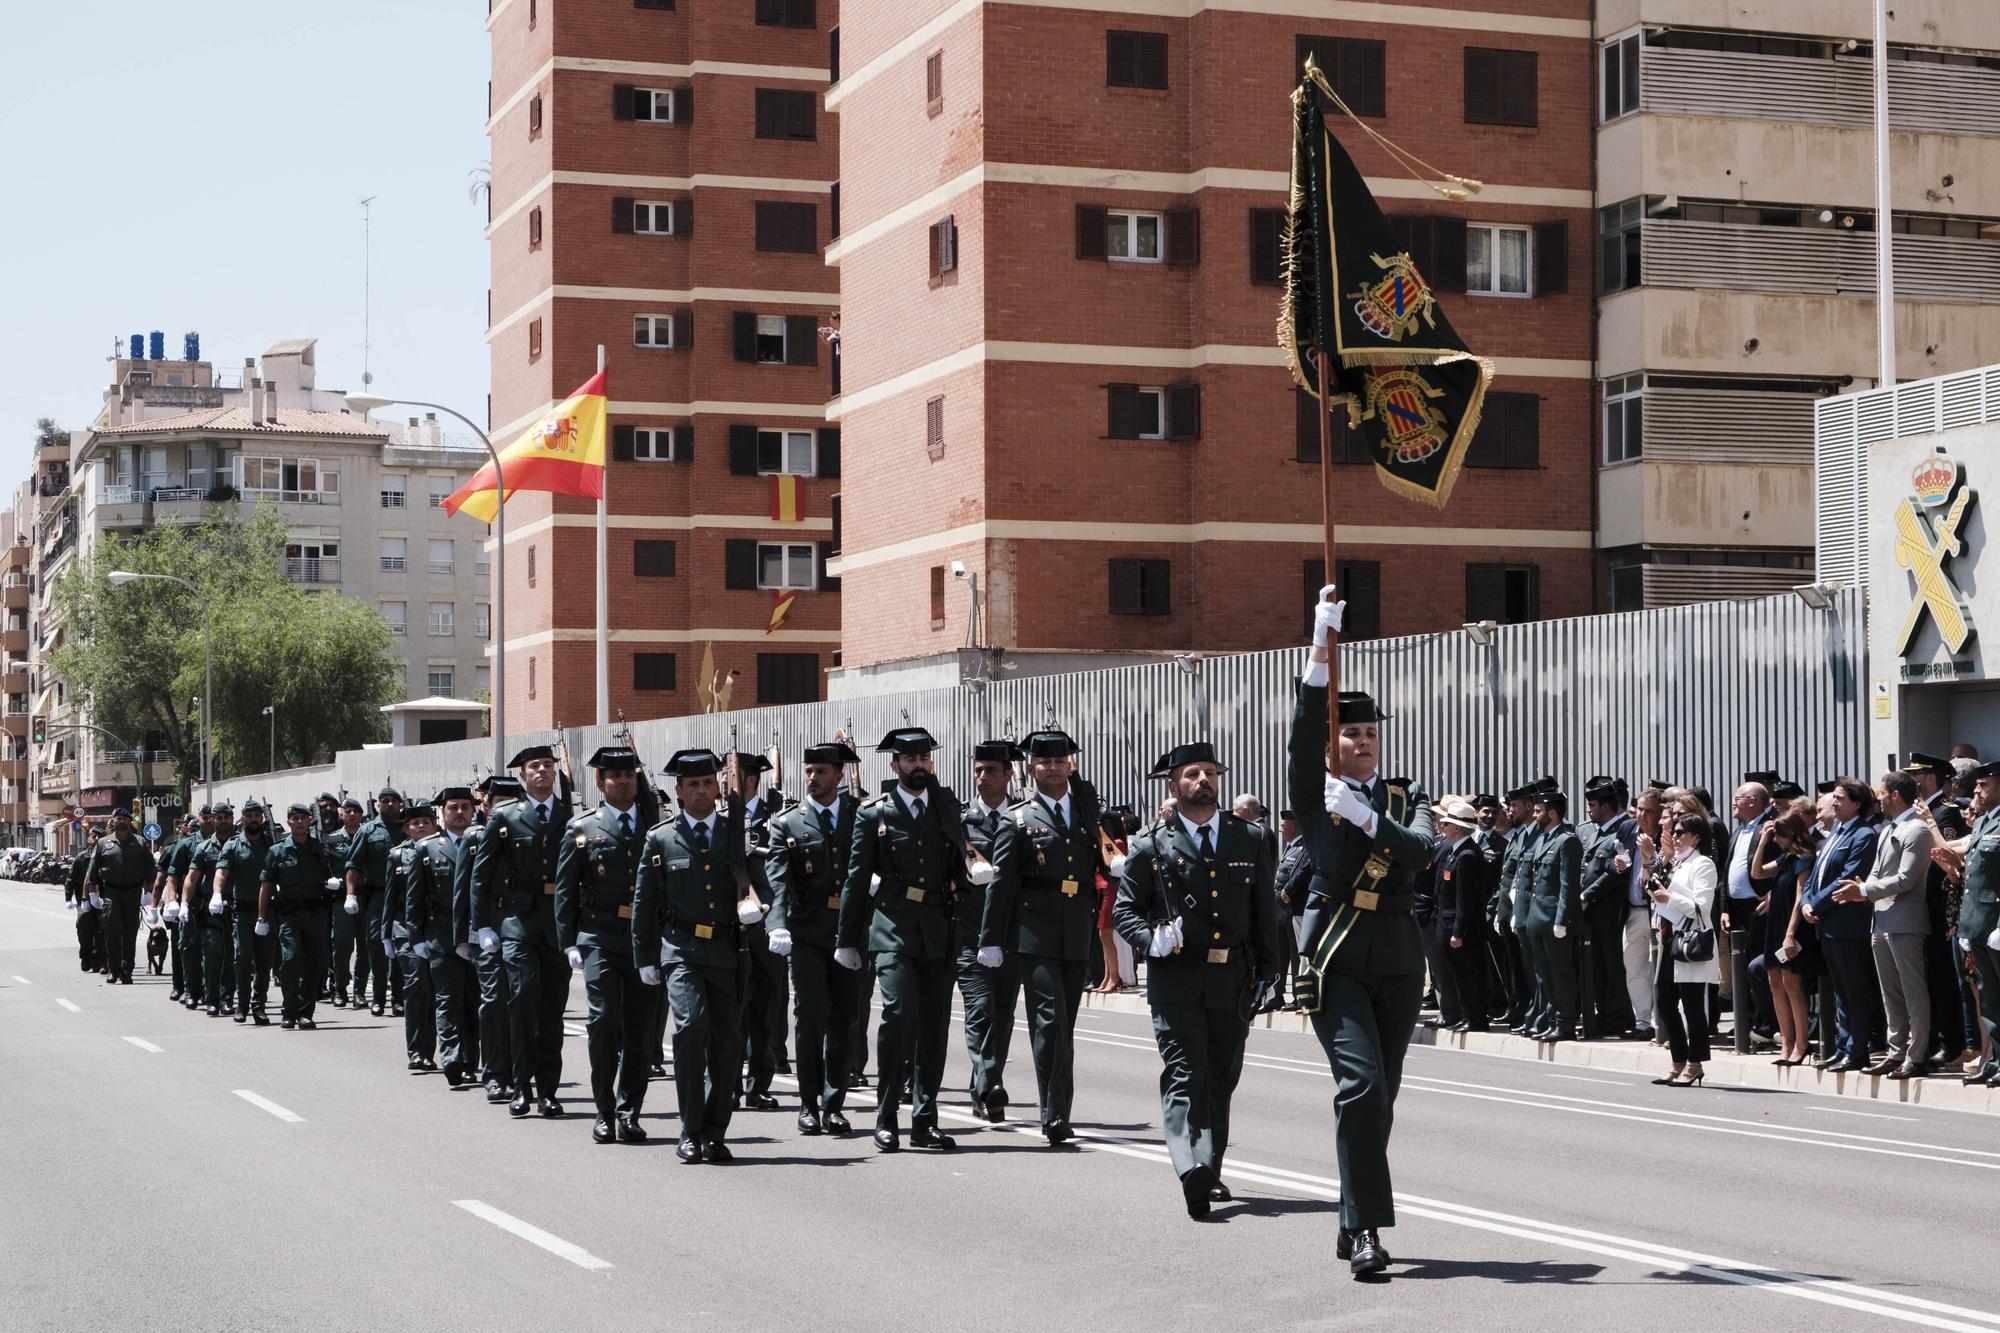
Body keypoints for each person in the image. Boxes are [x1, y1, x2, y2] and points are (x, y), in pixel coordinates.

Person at [1290, 585, 1434, 1279]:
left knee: (1385, 1096)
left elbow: (1422, 850)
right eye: (1350, 733)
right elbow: (1298, 730)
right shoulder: (1314, 797)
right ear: (1330, 742)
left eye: (1371, 733)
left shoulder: (1405, 799)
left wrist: (1372, 817)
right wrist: (1321, 643)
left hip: (1400, 957)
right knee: (1361, 1087)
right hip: (1338, 954)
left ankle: (1353, 1212)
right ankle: (1367, 1228)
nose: (1363, 742)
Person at [1114, 740, 1280, 1220]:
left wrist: (1272, 971)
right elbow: (1125, 910)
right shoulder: (1150, 843)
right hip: (1177, 977)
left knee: (1221, 1077)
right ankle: (1190, 1169)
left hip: (1233, 976)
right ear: (1173, 784)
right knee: (1186, 1073)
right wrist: (1150, 939)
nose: (1202, 780)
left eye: (1209, 772)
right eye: (1191, 774)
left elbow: (1262, 910)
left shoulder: (1250, 838)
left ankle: (1210, 1166)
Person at [838, 727, 988, 1154]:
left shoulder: (947, 809)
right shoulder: (874, 814)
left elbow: (961, 864)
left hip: (940, 928)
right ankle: (886, 1117)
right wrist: (847, 939)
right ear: (895, 765)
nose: (918, 765)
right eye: (910, 759)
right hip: (893, 927)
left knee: (934, 1027)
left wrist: (972, 871)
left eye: (924, 758)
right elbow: (855, 878)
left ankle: (924, 1120)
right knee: (899, 1014)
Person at [981, 729, 1101, 1146]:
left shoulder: (1087, 809)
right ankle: (1054, 1115)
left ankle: (1057, 1108)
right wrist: (991, 938)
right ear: (1029, 769)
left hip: (1076, 930)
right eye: (1043, 762)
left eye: (1059, 760)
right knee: (1048, 1022)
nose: (1052, 768)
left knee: (1065, 1026)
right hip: (1034, 932)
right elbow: (1001, 883)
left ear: (1070, 765)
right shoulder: (1018, 818)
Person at [632, 748, 747, 1162]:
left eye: (708, 783)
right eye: (692, 785)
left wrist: (758, 907)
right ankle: (689, 1128)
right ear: (678, 791)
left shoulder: (737, 832)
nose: (701, 791)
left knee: (727, 1044)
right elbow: (645, 902)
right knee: (690, 1028)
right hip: (680, 950)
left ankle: (715, 1131)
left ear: (718, 788)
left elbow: (758, 882)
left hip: (727, 949)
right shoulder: (660, 838)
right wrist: (644, 956)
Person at [767, 739, 869, 1135]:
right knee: (810, 1016)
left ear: (839, 776)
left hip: (849, 932)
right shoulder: (788, 823)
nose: (813, 778)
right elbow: (777, 880)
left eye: (821, 772)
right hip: (807, 933)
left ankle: (834, 1103)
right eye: (808, 771)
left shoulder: (860, 817)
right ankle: (808, 1103)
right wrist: (776, 923)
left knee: (844, 1018)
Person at [555, 748, 654, 1144]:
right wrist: (569, 941)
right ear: (600, 782)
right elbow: (565, 889)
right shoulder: (582, 828)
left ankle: (629, 1110)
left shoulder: (656, 823)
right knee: (603, 1019)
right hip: (600, 937)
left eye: (629, 774)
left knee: (639, 1028)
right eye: (614, 776)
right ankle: (604, 1110)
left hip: (644, 939)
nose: (623, 781)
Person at [472, 745, 575, 1118]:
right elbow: (481, 876)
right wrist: (482, 925)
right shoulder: (504, 818)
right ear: (522, 775)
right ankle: (520, 1085)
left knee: (551, 1010)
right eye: (535, 767)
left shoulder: (569, 816)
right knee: (522, 995)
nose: (543, 772)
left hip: (558, 924)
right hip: (517, 920)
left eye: (548, 766)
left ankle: (548, 1090)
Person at [1831, 771, 1935, 1079]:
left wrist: (1862, 891)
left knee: (1913, 991)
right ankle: (1895, 1050)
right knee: (1891, 993)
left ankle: (1916, 1056)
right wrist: (1864, 888)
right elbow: (1877, 873)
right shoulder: (1890, 827)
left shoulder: (1915, 829)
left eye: (1882, 792)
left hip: (1905, 921)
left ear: (1895, 796)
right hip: (1882, 918)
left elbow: (1906, 879)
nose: (1877, 796)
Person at [949, 739, 1018, 1121]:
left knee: (1003, 1015)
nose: (982, 778)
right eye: (978, 770)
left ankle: (982, 1089)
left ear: (1009, 775)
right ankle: (991, 1083)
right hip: (970, 933)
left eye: (991, 770)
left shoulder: (1022, 821)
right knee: (980, 1011)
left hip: (1010, 935)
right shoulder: (960, 822)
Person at [1800, 779, 1884, 1072]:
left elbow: (1847, 878)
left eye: (1840, 798)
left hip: (1848, 924)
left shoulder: (1863, 835)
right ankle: (1843, 1046)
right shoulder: (1835, 832)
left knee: (1854, 989)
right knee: (1839, 990)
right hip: (1827, 924)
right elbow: (1816, 874)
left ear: (1857, 803)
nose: (1833, 802)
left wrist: (1816, 904)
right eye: (1832, 798)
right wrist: (1806, 902)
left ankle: (1857, 1050)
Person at [1933, 759, 2000, 1085]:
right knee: (1989, 999)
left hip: (1996, 924)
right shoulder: (1986, 822)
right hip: (1977, 925)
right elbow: (1961, 859)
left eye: (1983, 785)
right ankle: (1996, 1060)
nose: (1976, 790)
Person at [409, 786, 481, 1088]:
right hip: (441, 936)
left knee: (474, 1001)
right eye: (453, 807)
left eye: (465, 807)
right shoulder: (427, 849)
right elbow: (414, 896)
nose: (460, 812)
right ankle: (452, 1056)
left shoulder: (483, 842)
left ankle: (470, 1060)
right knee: (447, 999)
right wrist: (416, 936)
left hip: (478, 937)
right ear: (443, 812)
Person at [458, 775, 522, 1104]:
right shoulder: (474, 837)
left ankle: (520, 1071)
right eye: (500, 801)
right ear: (487, 805)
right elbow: (465, 889)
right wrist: (465, 936)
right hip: (488, 930)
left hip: (522, 927)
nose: (507, 807)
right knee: (494, 1001)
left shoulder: (529, 832)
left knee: (522, 1001)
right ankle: (496, 1074)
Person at [1642, 812, 1719, 1086]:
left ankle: (1695, 1063)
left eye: (1681, 832)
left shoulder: (1703, 864)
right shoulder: (1675, 862)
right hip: (1668, 941)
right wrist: (1649, 859)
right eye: (1673, 832)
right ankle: (1678, 1059)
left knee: (1692, 1006)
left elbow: (1702, 908)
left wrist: (1670, 899)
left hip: (1690, 942)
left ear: (1696, 837)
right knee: (1664, 1002)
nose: (1675, 837)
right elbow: (1650, 886)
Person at [1906, 753, 1971, 1070]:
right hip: (1920, 906)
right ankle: (1932, 1039)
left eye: (1915, 776)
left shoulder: (1946, 813)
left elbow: (1942, 860)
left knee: (1946, 978)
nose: (1911, 781)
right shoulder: (1917, 812)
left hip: (1940, 906)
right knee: (1929, 978)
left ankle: (1952, 1042)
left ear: (1930, 778)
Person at [732, 752, 789, 1113]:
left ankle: (759, 1085)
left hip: (768, 926)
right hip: (731, 928)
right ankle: (727, 1083)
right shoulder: (721, 818)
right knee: (729, 1011)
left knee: (767, 1009)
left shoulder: (777, 820)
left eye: (731, 774)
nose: (725, 780)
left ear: (750, 779)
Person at [1749, 799, 1822, 1066]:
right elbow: (1757, 873)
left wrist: (1790, 934)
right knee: (1774, 983)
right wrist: (1762, 842)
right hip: (1775, 927)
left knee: (1792, 985)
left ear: (1791, 834)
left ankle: (1801, 1044)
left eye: (1778, 835)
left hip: (1792, 928)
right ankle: (1787, 1041)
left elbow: (1799, 898)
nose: (1776, 840)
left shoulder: (1804, 859)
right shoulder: (1786, 858)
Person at [259, 801, 342, 1031]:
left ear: (310, 821)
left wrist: (334, 882)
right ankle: (289, 1010)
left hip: (316, 913)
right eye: (294, 819)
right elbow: (266, 885)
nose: (299, 822)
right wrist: (261, 917)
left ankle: (306, 1013)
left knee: (314, 964)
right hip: (289, 914)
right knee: (290, 958)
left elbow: (332, 873)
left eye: (303, 818)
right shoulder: (277, 851)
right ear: (289, 822)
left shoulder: (319, 849)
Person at [1521, 789, 1583, 1042]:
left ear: (1553, 813)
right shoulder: (1543, 839)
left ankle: (1565, 1022)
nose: (1535, 815)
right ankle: (1552, 1018)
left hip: (1554, 921)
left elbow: (1568, 885)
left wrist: (1562, 920)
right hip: (1537, 919)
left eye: (1538, 811)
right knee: (1544, 975)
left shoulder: (1567, 841)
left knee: (1560, 974)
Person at [1578, 778, 1637, 1036]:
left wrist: (1587, 894)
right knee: (1597, 965)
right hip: (1592, 909)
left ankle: (1617, 1016)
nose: (1589, 810)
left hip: (1610, 908)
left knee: (1613, 965)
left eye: (1592, 805)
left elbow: (1619, 871)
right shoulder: (1593, 832)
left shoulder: (1622, 831)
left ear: (1605, 807)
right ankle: (1603, 1013)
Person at [1721, 778, 1777, 1047]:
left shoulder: (1772, 827)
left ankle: (1765, 1023)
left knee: (1759, 966)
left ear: (1753, 801)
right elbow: (1726, 871)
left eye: (1738, 798)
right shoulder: (1738, 831)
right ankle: (1746, 1022)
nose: (1734, 802)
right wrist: (1724, 908)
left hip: (1760, 907)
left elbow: (1786, 864)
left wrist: (1776, 895)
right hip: (1736, 908)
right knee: (1740, 969)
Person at [343, 787, 407, 1018]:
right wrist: (350, 895)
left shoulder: (407, 828)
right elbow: (353, 865)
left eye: (394, 801)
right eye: (385, 801)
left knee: (401, 947)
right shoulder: (368, 830)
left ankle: (398, 999)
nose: (389, 805)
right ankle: (379, 999)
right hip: (378, 897)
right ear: (378, 805)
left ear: (400, 804)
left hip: (404, 898)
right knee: (376, 947)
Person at [386, 801, 439, 1071]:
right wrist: (386, 934)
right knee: (417, 987)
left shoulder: (444, 849)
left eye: (426, 822)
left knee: (438, 991)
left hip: (437, 929)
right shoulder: (398, 855)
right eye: (414, 823)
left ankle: (447, 1050)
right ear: (406, 829)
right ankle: (418, 1051)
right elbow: (390, 898)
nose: (420, 826)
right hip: (406, 929)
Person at [216, 800, 277, 1024]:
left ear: (262, 818)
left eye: (256, 816)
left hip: (268, 912)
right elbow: (221, 872)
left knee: (264, 962)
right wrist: (217, 893)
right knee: (242, 958)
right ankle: (241, 1005)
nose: (253, 819)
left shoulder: (272, 844)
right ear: (242, 818)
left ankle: (258, 1006)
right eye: (249, 815)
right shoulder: (233, 845)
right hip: (242, 912)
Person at [1432, 799, 1489, 1032]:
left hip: (1462, 929)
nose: (1443, 827)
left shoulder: (1466, 855)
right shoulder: (1457, 852)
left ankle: (1476, 1018)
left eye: (1447, 824)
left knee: (1469, 975)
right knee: (1460, 975)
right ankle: (1469, 1015)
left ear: (1457, 827)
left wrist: (1458, 931)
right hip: (1448, 924)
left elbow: (1465, 899)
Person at [88, 806, 156, 986]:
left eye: (124, 819)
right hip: (111, 891)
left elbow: (150, 868)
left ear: (129, 821)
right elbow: (93, 869)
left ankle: (127, 971)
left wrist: (149, 892)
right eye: (117, 818)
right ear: (112, 820)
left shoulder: (140, 842)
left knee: (130, 932)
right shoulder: (103, 843)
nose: (120, 821)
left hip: (133, 892)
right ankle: (114, 969)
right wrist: (91, 894)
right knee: (111, 930)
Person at [163, 809, 211, 1009]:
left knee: (215, 949)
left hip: (216, 903)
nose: (209, 821)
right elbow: (172, 876)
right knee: (189, 947)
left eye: (212, 817)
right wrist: (171, 902)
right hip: (190, 903)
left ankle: (212, 992)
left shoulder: (228, 843)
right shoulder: (185, 845)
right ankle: (190, 990)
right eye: (205, 817)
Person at [189, 805, 235, 1018]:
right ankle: (212, 999)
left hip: (237, 905)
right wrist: (182, 903)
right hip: (211, 907)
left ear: (232, 819)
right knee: (213, 952)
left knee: (234, 955)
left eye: (226, 817)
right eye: (218, 817)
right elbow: (192, 877)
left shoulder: (241, 845)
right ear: (213, 820)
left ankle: (228, 999)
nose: (222, 821)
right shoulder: (205, 848)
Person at [324, 797, 363, 1007]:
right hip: (340, 898)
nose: (351, 814)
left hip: (364, 895)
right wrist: (328, 881)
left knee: (365, 946)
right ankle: (339, 989)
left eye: (355, 811)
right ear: (341, 814)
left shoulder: (366, 836)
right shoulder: (330, 839)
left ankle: (359, 991)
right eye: (347, 811)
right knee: (341, 945)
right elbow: (323, 867)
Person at [65, 825, 103, 974]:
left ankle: (98, 960)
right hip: (83, 899)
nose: (96, 838)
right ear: (89, 839)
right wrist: (68, 898)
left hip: (100, 899)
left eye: (99, 836)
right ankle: (85, 956)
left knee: (100, 931)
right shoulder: (82, 857)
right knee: (84, 928)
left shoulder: (105, 855)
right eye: (94, 835)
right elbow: (71, 878)